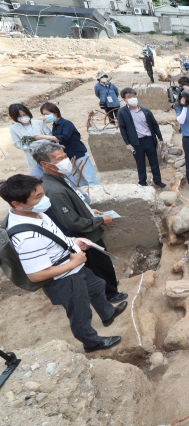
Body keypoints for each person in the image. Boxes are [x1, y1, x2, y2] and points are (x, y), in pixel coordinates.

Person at [0, 174, 126, 353]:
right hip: (64, 279)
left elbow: (53, 235)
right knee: (80, 313)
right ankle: (92, 343)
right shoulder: (27, 237)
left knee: (97, 286)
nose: (44, 199)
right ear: (17, 203)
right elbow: (36, 275)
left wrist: (73, 241)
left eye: (43, 193)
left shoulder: (35, 212)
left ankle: (108, 314)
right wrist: (74, 263)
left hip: (72, 264)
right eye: (38, 197)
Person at [33, 142, 128, 305]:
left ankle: (108, 284)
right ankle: (109, 294)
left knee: (99, 265)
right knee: (100, 264)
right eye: (59, 159)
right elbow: (72, 222)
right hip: (84, 235)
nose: (65, 161)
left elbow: (74, 204)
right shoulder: (54, 189)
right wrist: (100, 220)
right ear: (44, 164)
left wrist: (90, 211)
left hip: (86, 230)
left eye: (64, 156)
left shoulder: (59, 178)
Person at [36, 103, 99, 187]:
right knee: (78, 178)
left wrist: (44, 137)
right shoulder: (55, 125)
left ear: (55, 112)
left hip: (78, 154)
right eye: (44, 115)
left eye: (47, 114)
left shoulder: (66, 123)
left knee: (90, 178)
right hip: (68, 156)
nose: (46, 116)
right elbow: (57, 142)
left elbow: (64, 137)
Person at [117, 88, 166, 188]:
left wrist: (160, 138)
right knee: (140, 164)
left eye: (134, 96)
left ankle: (157, 181)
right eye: (129, 97)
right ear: (124, 100)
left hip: (149, 140)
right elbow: (122, 128)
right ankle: (142, 183)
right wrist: (127, 143)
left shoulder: (145, 111)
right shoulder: (122, 112)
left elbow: (154, 125)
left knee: (154, 162)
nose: (132, 98)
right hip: (136, 143)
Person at [8, 104, 51, 173]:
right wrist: (31, 145)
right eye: (19, 116)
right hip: (32, 158)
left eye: (24, 114)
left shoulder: (39, 123)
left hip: (48, 155)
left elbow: (50, 136)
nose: (23, 117)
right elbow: (17, 143)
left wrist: (40, 142)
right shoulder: (13, 128)